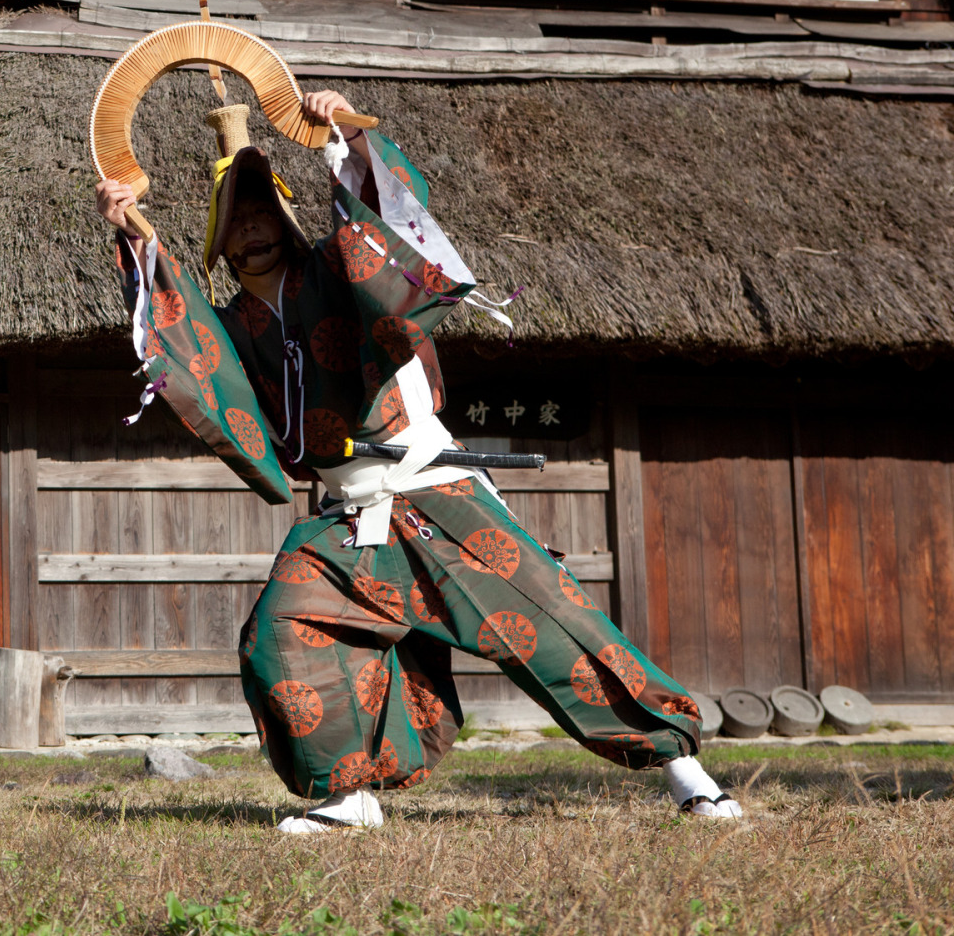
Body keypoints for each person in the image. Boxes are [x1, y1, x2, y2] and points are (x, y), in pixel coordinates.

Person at [95, 92, 741, 831]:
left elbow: (375, 236)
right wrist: (135, 234)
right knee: (280, 629)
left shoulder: (336, 272)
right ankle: (346, 795)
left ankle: (687, 772)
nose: (251, 231)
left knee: (551, 619)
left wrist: (343, 141)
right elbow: (187, 339)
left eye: (261, 213)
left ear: (287, 218)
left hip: (433, 489)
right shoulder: (236, 325)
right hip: (346, 521)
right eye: (234, 224)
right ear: (219, 249)